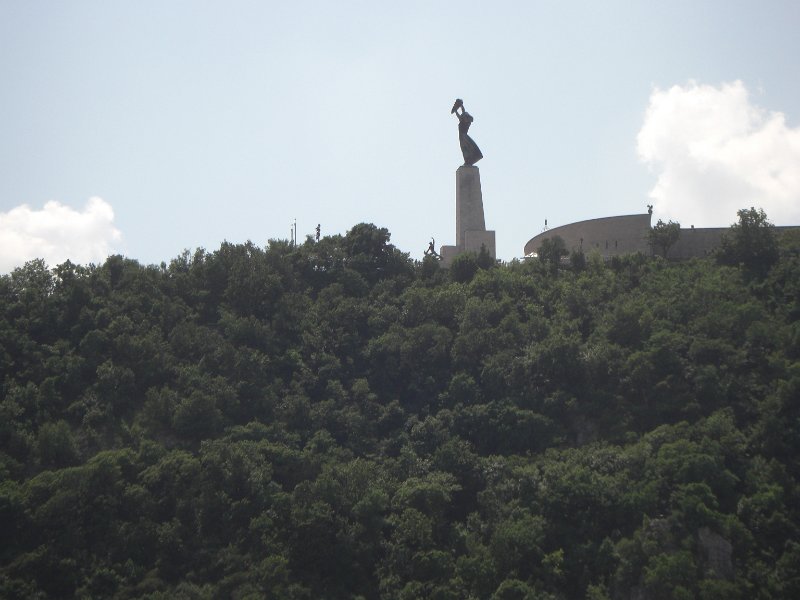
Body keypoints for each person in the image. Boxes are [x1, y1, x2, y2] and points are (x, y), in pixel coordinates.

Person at [451, 99, 483, 166]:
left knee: (468, 149)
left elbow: (461, 116)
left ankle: (468, 160)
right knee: (466, 150)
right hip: (462, 137)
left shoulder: (466, 121)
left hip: (463, 137)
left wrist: (456, 111)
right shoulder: (465, 120)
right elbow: (463, 113)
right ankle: (468, 160)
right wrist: (461, 106)